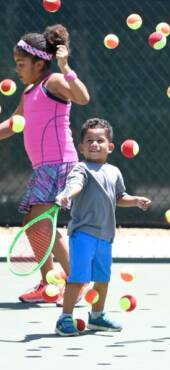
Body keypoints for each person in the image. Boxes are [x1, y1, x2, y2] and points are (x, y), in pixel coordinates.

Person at [0, 24, 90, 303]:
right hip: (44, 168)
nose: (17, 69)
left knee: (38, 222)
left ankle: (76, 282)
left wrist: (66, 67)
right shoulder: (28, 93)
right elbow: (13, 125)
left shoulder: (53, 83)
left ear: (40, 63)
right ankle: (52, 284)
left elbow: (83, 97)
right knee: (35, 222)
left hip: (60, 164)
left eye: (21, 63)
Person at [54, 118, 151, 336]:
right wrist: (66, 196)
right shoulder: (81, 168)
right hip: (83, 234)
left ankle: (97, 317)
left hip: (106, 236)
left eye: (100, 140)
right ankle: (65, 318)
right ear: (81, 147)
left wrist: (134, 200)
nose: (94, 144)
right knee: (78, 278)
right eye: (89, 140)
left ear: (110, 147)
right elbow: (75, 186)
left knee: (102, 278)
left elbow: (119, 196)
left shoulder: (114, 171)